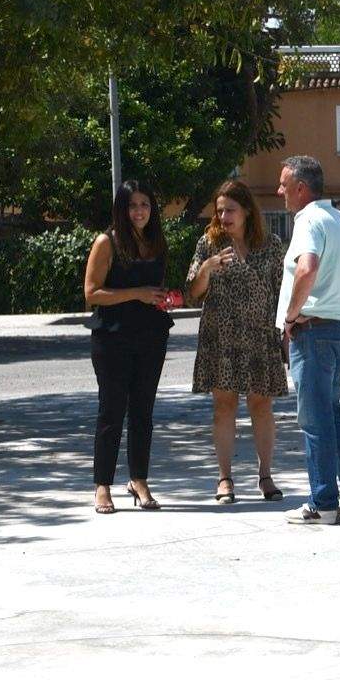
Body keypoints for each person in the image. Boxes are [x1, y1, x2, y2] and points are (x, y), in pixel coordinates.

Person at [275, 155, 340, 526]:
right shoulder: (339, 219)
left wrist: (289, 316)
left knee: (315, 420)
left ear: (301, 188)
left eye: (284, 184)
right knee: (332, 413)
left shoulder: (309, 220)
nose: (279, 191)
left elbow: (307, 267)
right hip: (339, 329)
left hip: (313, 331)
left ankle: (323, 504)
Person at [186, 179, 288, 504]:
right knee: (224, 406)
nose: (224, 217)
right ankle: (224, 478)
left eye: (230, 210)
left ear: (246, 210)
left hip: (260, 337)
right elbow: (193, 293)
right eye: (219, 211)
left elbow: (282, 291)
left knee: (261, 405)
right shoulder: (209, 243)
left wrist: (285, 335)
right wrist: (206, 269)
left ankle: (266, 476)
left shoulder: (270, 245)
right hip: (222, 337)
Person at [83, 180, 177, 515]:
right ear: (122, 209)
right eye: (132, 205)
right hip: (112, 337)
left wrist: (165, 298)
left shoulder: (156, 241)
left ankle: (139, 480)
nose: (139, 211)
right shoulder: (106, 242)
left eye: (145, 205)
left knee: (143, 413)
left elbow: (154, 288)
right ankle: (102, 486)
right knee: (111, 412)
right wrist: (136, 293)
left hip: (151, 335)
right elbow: (92, 293)